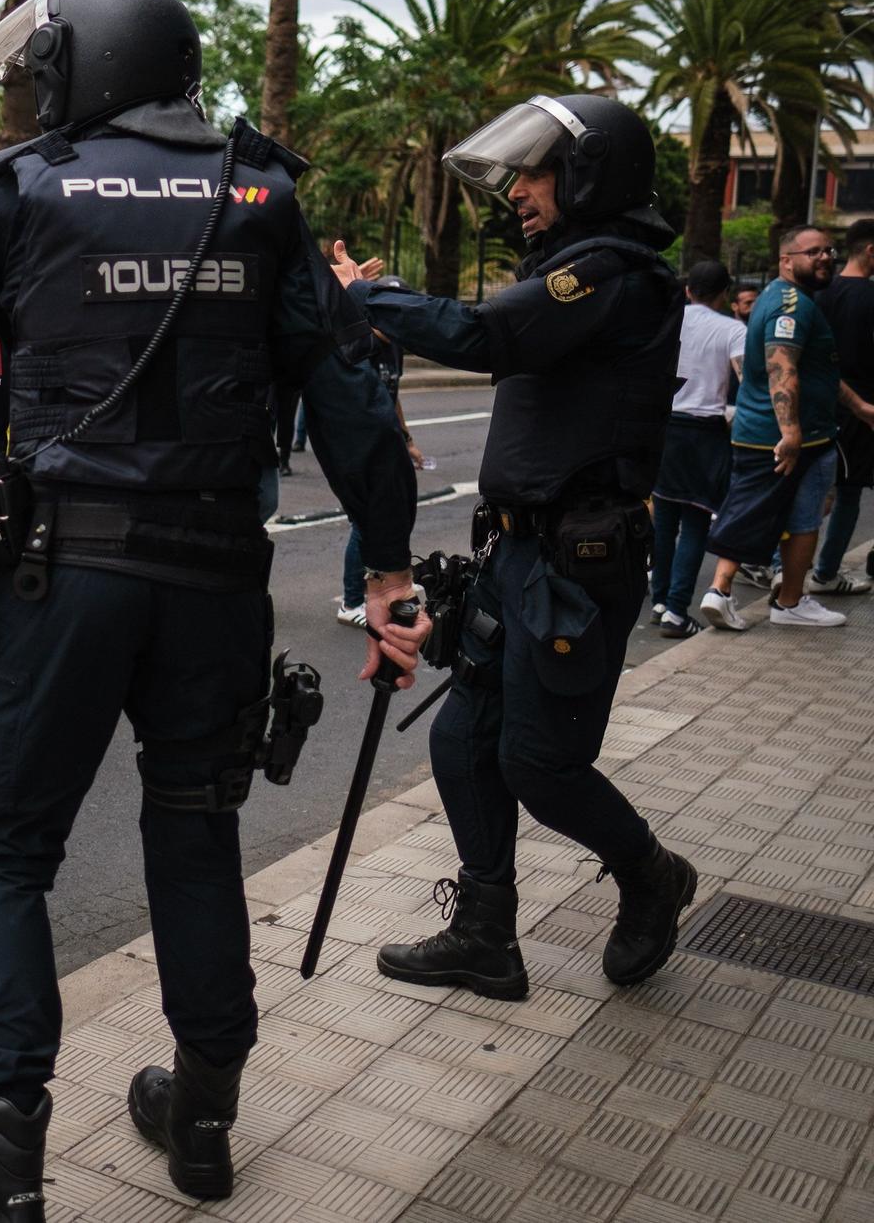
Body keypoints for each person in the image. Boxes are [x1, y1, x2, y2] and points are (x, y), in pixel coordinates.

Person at [0, 0, 426, 1215]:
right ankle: (200, 1123)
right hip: (213, 579)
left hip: (53, 576)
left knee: (4, 860)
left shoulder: (19, 187)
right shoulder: (262, 193)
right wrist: (391, 572)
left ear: (84, 66)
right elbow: (349, 392)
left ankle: (4, 1182)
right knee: (193, 832)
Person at [333, 94, 700, 1016]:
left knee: (540, 763)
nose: (520, 194)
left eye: (537, 175)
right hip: (517, 557)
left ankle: (650, 873)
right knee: (463, 739)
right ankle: (487, 937)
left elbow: (482, 335)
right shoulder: (574, 269)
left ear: (588, 176)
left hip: (577, 566)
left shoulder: (611, 276)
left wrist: (363, 296)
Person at [701, 226, 864, 630]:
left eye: (829, 250)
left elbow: (815, 370)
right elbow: (782, 367)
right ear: (787, 260)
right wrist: (791, 433)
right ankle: (790, 601)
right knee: (804, 517)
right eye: (814, 252)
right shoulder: (791, 305)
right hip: (794, 437)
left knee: (753, 508)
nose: (826, 257)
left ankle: (720, 591)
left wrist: (860, 407)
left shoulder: (790, 298)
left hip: (776, 433)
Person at [649, 260, 747, 638]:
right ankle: (676, 610)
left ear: (688, 290)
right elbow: (746, 379)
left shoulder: (669, 320)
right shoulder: (732, 329)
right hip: (705, 432)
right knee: (694, 521)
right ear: (724, 294)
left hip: (664, 427)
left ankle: (659, 601)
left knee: (664, 519)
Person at [335, 330, 422, 628]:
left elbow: (393, 398)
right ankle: (350, 601)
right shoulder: (359, 346)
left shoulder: (394, 348)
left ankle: (375, 587)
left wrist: (407, 440)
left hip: (385, 443)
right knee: (364, 523)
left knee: (383, 517)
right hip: (360, 443)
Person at [814, 218, 874, 592]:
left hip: (822, 404)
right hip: (862, 409)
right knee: (849, 493)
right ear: (871, 250)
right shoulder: (868, 297)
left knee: (813, 490)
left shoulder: (820, 293)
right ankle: (825, 572)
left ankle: (781, 568)